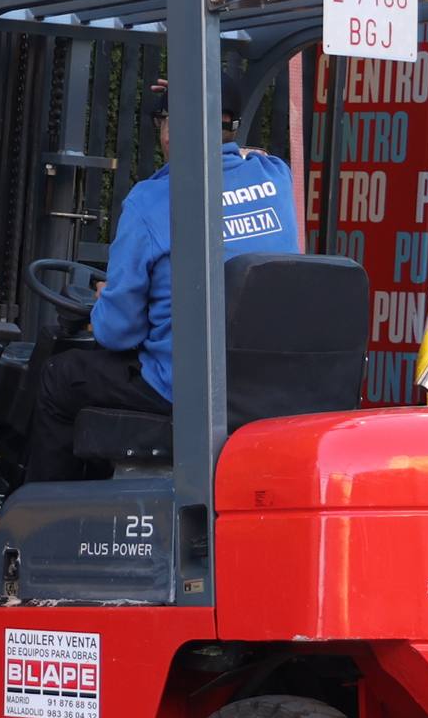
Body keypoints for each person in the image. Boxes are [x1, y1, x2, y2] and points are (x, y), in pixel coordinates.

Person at [25, 66, 300, 483]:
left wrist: (104, 301)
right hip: (264, 387)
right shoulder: (276, 176)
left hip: (184, 388)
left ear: (171, 130)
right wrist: (200, 95)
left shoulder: (151, 202)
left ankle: (36, 512)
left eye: (162, 120)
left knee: (59, 377)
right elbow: (249, 155)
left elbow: (118, 333)